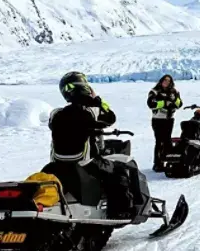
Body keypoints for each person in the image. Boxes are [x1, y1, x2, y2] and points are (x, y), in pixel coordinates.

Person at [48, 71, 137, 218]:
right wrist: (97, 99)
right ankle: (121, 212)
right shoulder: (91, 111)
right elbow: (110, 117)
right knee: (119, 171)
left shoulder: (55, 113)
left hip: (58, 165)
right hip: (85, 163)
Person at [146, 74, 182, 171]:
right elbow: (151, 104)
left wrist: (174, 100)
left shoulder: (174, 92)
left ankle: (169, 160)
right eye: (165, 80)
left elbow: (179, 104)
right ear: (161, 81)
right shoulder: (154, 91)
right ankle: (157, 163)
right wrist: (164, 103)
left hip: (169, 119)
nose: (167, 82)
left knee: (167, 141)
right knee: (159, 141)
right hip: (158, 120)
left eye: (169, 81)